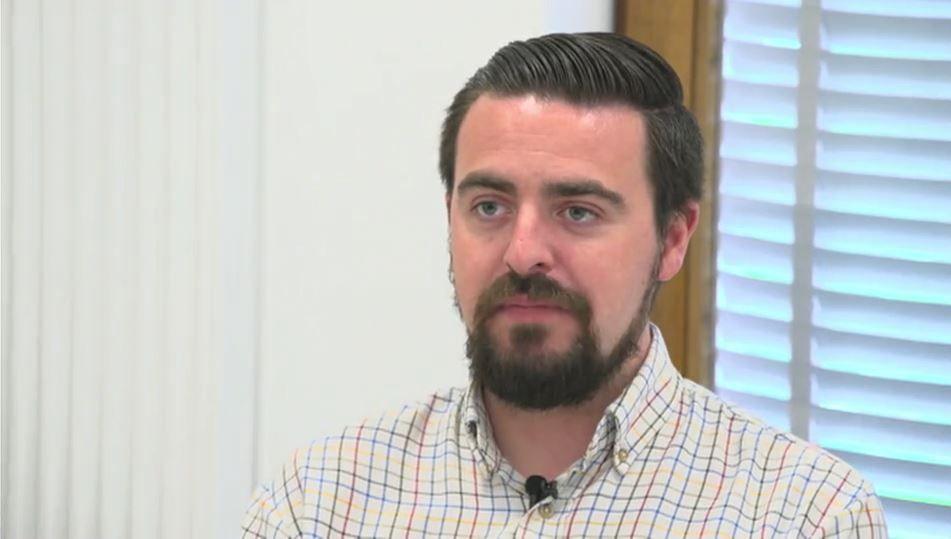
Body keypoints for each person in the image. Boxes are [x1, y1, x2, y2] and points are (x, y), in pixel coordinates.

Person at [242, 33, 886, 537]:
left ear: (673, 238)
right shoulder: (322, 502)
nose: (523, 254)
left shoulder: (803, 517)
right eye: (489, 207)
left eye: (578, 212)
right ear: (450, 218)